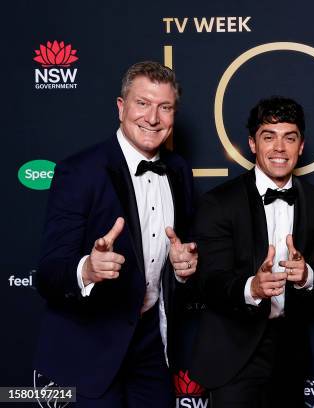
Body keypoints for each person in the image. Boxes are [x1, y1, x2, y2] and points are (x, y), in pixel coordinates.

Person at [35, 61, 198, 407]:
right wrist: (88, 270)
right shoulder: (79, 172)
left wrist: (184, 270)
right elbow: (48, 274)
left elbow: (178, 254)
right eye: (142, 103)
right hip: (90, 346)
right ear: (121, 107)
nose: (153, 118)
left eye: (164, 107)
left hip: (152, 344)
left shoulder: (179, 171)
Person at [189, 97, 314, 407]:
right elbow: (210, 280)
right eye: (269, 136)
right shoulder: (219, 202)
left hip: (290, 351)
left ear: (301, 145)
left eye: (289, 137)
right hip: (234, 350)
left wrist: (306, 274)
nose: (279, 147)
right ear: (253, 144)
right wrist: (251, 288)